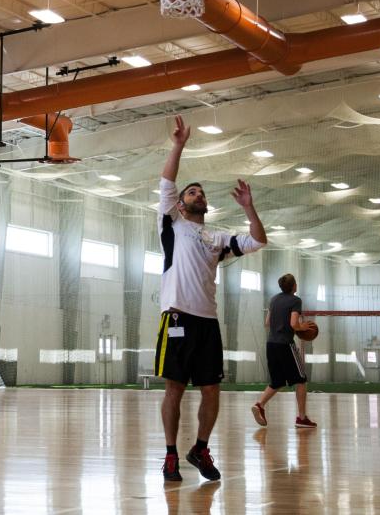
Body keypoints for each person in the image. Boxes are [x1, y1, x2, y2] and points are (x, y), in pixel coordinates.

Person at [155, 115, 267, 483]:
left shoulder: (216, 238)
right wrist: (179, 145)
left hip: (207, 322)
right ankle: (171, 455)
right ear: (181, 204)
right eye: (192, 192)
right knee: (175, 388)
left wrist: (249, 207)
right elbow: (167, 181)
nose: (198, 194)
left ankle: (199, 448)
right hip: (177, 318)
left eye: (201, 192)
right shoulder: (172, 225)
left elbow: (257, 241)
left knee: (212, 389)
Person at [250, 273, 317, 428]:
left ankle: (259, 405)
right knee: (301, 380)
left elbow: (267, 322)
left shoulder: (274, 299)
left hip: (271, 344)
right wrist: (303, 327)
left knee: (277, 381)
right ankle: (301, 418)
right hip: (285, 344)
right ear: (294, 286)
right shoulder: (295, 300)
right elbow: (294, 323)